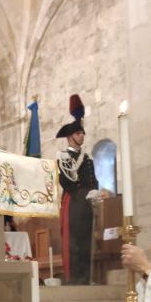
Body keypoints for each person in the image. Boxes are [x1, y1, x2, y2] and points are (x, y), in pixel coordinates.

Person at [55, 94, 104, 284]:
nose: (82, 136)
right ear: (69, 137)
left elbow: (92, 178)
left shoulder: (88, 158)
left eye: (83, 133)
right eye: (78, 133)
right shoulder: (64, 157)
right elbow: (66, 180)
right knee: (73, 241)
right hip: (73, 200)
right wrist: (82, 193)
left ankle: (85, 277)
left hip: (87, 201)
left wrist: (95, 190)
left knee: (86, 241)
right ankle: (74, 279)